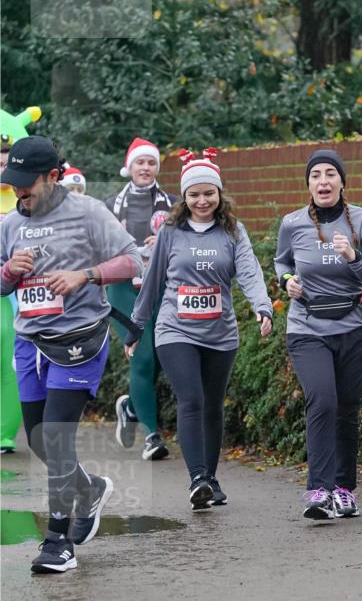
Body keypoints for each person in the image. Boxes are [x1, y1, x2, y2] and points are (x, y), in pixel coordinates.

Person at [0, 136, 142, 573]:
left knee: (57, 438)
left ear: (54, 177)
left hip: (79, 339)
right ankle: (91, 488)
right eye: (13, 182)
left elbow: (133, 261)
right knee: (41, 440)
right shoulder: (8, 224)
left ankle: (58, 542)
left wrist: (86, 275)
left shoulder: (88, 212)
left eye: (27, 182)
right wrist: (9, 271)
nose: (19, 190)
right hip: (30, 342)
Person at [125, 148, 272, 511]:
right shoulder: (171, 232)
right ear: (184, 197)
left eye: (209, 193)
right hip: (176, 330)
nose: (202, 200)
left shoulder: (234, 231)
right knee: (191, 399)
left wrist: (262, 306)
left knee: (212, 407)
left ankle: (211, 477)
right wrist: (136, 326)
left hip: (221, 332)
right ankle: (198, 479)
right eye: (194, 194)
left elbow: (250, 272)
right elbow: (153, 280)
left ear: (219, 195)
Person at [274, 149, 362, 520]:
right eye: (315, 176)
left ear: (342, 181)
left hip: (354, 326)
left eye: (330, 174)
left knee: (346, 408)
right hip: (307, 327)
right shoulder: (293, 223)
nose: (323, 181)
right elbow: (282, 262)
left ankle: (343, 490)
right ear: (308, 184)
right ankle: (318, 490)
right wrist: (287, 281)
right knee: (322, 399)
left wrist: (353, 257)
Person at [105, 137, 177, 461]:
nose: (145, 168)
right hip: (123, 288)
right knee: (143, 358)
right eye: (140, 162)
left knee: (162, 357)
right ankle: (152, 436)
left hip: (161, 285)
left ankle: (131, 406)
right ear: (130, 167)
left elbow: (185, 246)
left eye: (151, 163)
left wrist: (164, 241)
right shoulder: (109, 206)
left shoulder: (175, 205)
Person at [0, 138, 21, 454]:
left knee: (10, 360)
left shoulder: (24, 202)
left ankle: (5, 432)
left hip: (12, 294)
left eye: (6, 164)